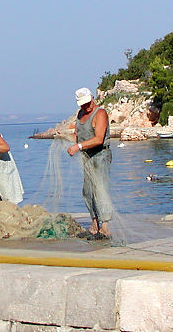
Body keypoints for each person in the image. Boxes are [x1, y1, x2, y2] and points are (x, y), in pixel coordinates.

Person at [66, 87, 112, 239]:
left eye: (88, 102)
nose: (86, 106)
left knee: (100, 189)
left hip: (100, 156)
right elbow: (78, 134)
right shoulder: (80, 114)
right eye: (82, 104)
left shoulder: (100, 113)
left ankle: (105, 227)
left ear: (92, 98)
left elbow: (99, 139)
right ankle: (94, 225)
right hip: (86, 156)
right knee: (87, 191)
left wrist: (78, 146)